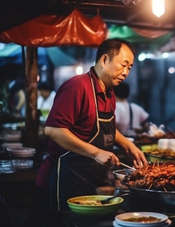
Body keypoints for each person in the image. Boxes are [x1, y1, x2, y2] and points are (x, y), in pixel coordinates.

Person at [35, 38, 148, 224]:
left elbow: (107, 127)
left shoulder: (108, 91)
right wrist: (96, 152)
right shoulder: (77, 87)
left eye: (130, 67)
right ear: (104, 60)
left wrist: (128, 145)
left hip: (91, 181)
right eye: (123, 65)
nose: (126, 72)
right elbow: (54, 130)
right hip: (62, 181)